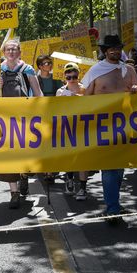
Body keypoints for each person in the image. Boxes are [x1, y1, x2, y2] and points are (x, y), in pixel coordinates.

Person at [82, 35, 137, 223]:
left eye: (117, 47)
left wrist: (135, 90)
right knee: (109, 167)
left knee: (120, 166)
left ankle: (113, 202)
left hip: (125, 123)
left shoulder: (129, 69)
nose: (114, 51)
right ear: (105, 51)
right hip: (103, 124)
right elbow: (85, 97)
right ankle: (112, 208)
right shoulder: (95, 70)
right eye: (111, 48)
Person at [0, 39, 43, 208]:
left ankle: (24, 175)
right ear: (4, 52)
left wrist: (41, 111)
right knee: (9, 155)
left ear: (19, 52)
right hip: (4, 119)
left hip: (25, 118)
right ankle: (14, 193)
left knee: (25, 153)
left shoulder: (28, 69)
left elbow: (38, 93)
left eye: (14, 49)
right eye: (8, 49)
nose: (11, 52)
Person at [56, 62, 88, 200]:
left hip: (82, 127)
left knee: (82, 158)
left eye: (74, 76)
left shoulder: (85, 89)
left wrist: (77, 97)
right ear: (64, 77)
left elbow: (92, 105)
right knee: (68, 156)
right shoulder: (60, 91)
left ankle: (82, 188)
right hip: (66, 126)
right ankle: (69, 179)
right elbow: (56, 109)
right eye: (68, 77)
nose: (72, 79)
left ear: (78, 75)